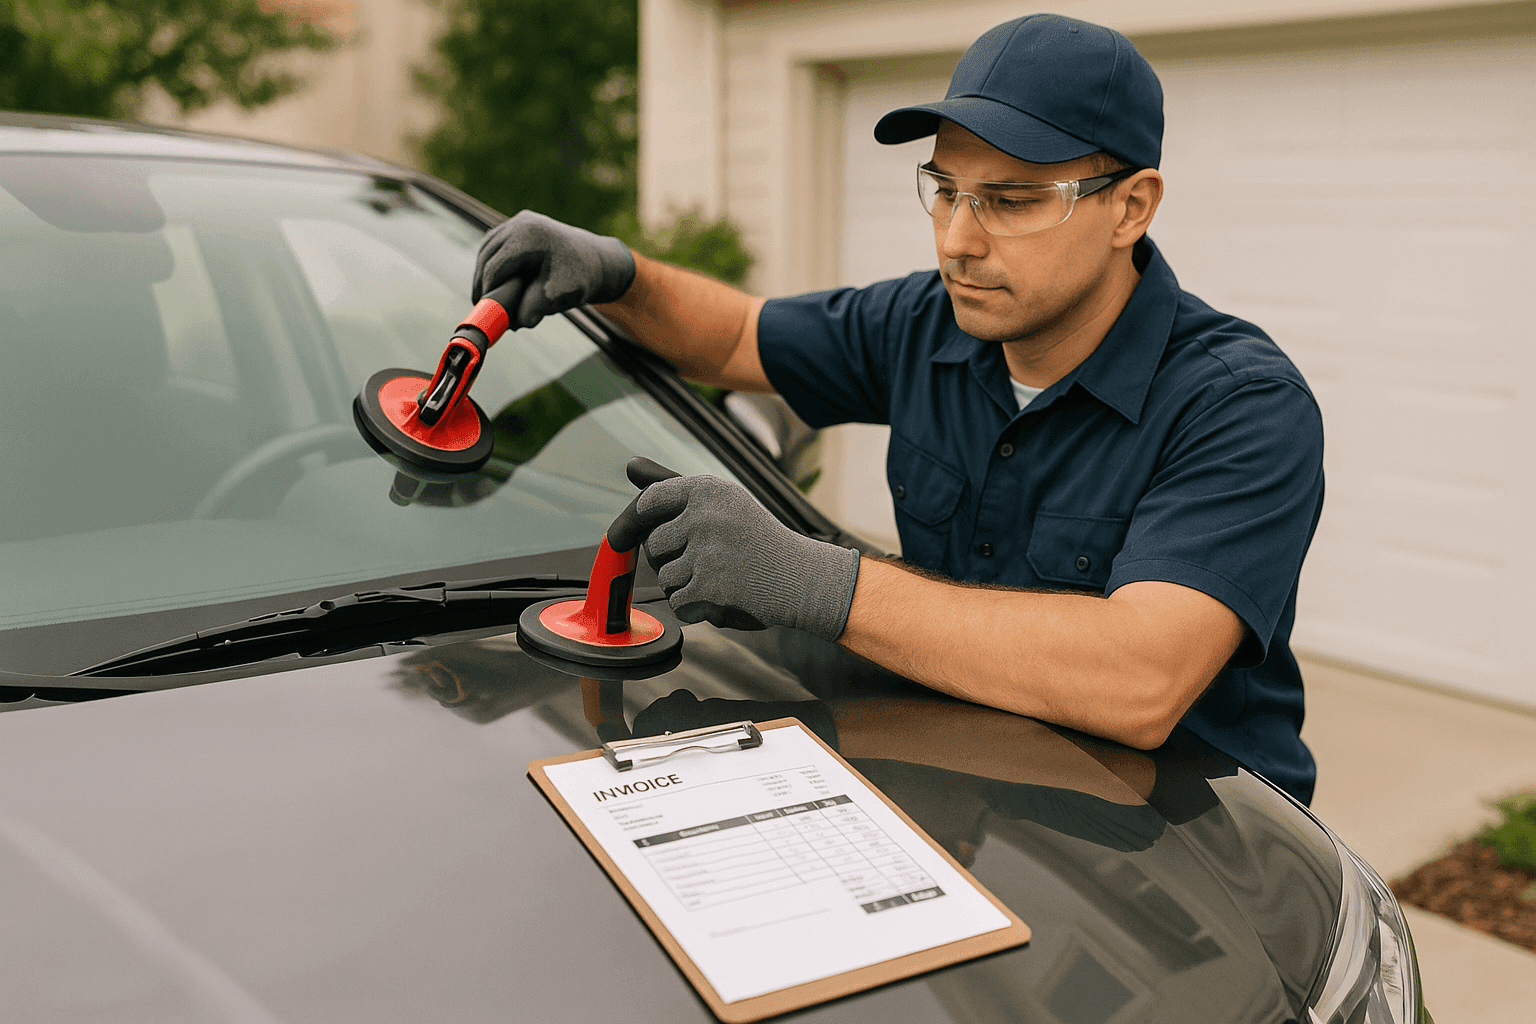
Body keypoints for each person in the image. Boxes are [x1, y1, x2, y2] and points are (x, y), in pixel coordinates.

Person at [471, 14, 1325, 803]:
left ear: (1130, 208)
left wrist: (812, 580)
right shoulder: (926, 322)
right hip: (968, 794)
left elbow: (1140, 679)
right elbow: (736, 338)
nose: (958, 240)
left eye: (1011, 201)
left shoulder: (1239, 405)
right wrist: (618, 276)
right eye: (946, 190)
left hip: (1189, 846)